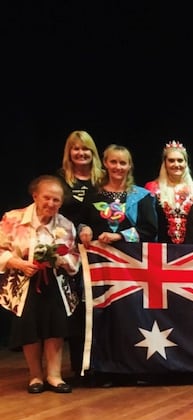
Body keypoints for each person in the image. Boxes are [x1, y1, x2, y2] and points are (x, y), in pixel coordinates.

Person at [0, 175, 81, 393]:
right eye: (47, 198)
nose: (51, 204)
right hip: (24, 283)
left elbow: (75, 257)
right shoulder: (13, 219)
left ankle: (54, 376)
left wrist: (60, 260)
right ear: (35, 196)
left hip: (55, 283)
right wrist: (18, 263)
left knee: (55, 328)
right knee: (30, 329)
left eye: (56, 200)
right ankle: (35, 376)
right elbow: (1, 249)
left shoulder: (66, 224)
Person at [55, 130, 103, 378]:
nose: (81, 153)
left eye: (86, 149)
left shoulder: (102, 180)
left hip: (97, 254)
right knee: (74, 310)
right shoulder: (60, 181)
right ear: (69, 152)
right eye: (76, 148)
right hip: (68, 254)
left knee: (98, 306)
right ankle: (77, 365)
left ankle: (99, 363)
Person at [77, 144, 158, 246]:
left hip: (132, 258)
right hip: (99, 258)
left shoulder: (142, 196)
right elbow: (80, 222)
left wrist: (119, 236)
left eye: (123, 163)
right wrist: (84, 229)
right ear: (105, 163)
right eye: (113, 162)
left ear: (129, 166)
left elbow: (150, 230)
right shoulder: (93, 194)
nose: (118, 167)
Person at [144, 140, 193, 244]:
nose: (176, 164)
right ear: (165, 163)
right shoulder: (152, 188)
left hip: (190, 249)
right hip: (160, 248)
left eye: (180, 160)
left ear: (186, 163)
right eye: (171, 160)